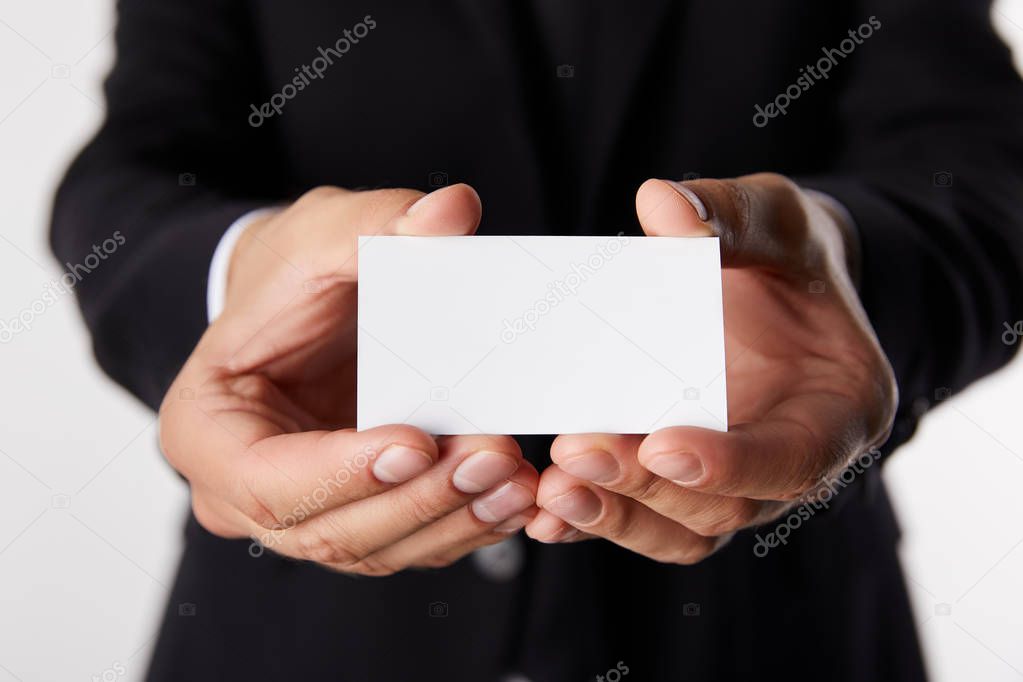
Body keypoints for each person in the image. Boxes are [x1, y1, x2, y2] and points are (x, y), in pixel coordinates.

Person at [51, 1, 1023, 680]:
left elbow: (980, 174)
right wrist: (243, 282)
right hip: (296, 639)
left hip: (771, 633)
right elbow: (135, 169)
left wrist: (837, 264)